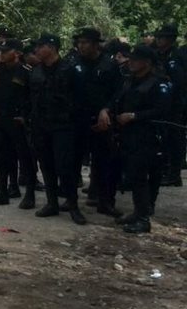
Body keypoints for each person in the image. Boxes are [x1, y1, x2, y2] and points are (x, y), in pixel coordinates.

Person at [99, 45, 172, 233]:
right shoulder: (129, 80)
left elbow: (163, 110)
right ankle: (138, 212)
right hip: (128, 135)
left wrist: (134, 116)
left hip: (148, 136)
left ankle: (143, 218)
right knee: (133, 174)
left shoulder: (159, 83)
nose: (130, 62)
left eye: (135, 59)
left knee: (142, 177)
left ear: (146, 63)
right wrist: (106, 110)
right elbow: (116, 99)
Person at [28, 33, 87, 224]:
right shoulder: (36, 71)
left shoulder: (70, 69)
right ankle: (52, 203)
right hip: (41, 124)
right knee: (46, 165)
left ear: (52, 48)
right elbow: (30, 97)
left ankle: (73, 205)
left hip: (64, 125)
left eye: (40, 46)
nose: (36, 50)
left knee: (65, 166)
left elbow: (81, 99)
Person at [0, 38, 37, 208]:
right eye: (2, 51)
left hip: (17, 121)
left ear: (17, 53)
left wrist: (26, 117)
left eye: (6, 51)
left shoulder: (26, 72)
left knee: (25, 158)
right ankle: (2, 192)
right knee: (0, 157)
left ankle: (29, 194)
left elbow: (33, 98)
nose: (2, 54)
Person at [74, 27, 122, 217]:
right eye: (79, 42)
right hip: (78, 119)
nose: (81, 46)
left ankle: (105, 201)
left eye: (85, 42)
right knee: (72, 160)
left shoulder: (110, 66)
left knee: (104, 162)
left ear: (95, 44)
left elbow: (118, 93)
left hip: (102, 120)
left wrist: (107, 109)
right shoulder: (73, 64)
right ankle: (70, 200)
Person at [152, 24, 186, 186]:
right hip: (162, 102)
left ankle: (174, 173)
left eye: (162, 37)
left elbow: (179, 83)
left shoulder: (176, 56)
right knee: (164, 137)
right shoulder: (158, 55)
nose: (158, 40)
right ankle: (166, 170)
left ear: (170, 39)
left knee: (175, 137)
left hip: (176, 103)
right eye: (158, 37)